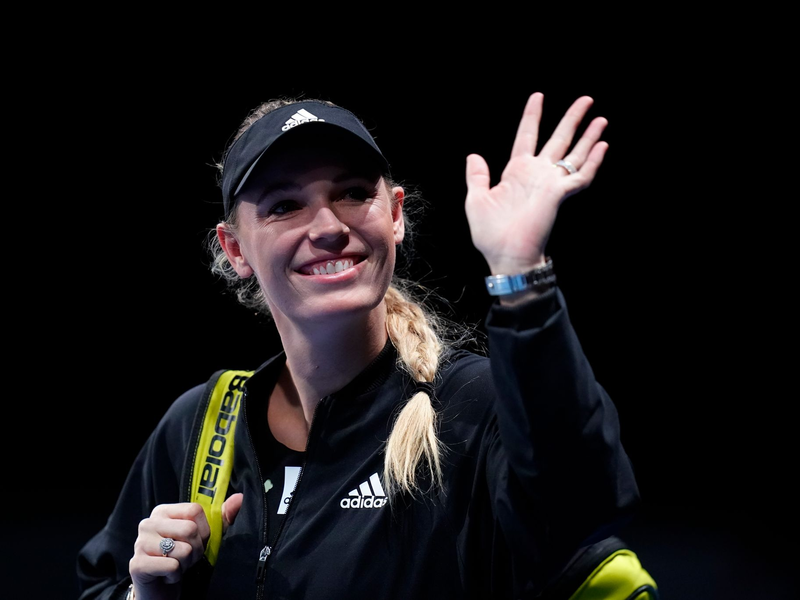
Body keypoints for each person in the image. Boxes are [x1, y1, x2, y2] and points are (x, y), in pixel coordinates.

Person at [77, 92, 641, 599]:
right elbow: (99, 584)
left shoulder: (473, 407)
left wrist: (520, 272)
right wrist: (143, 596)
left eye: (351, 192)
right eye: (284, 205)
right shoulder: (198, 428)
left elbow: (587, 505)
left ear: (395, 215)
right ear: (235, 250)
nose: (326, 225)